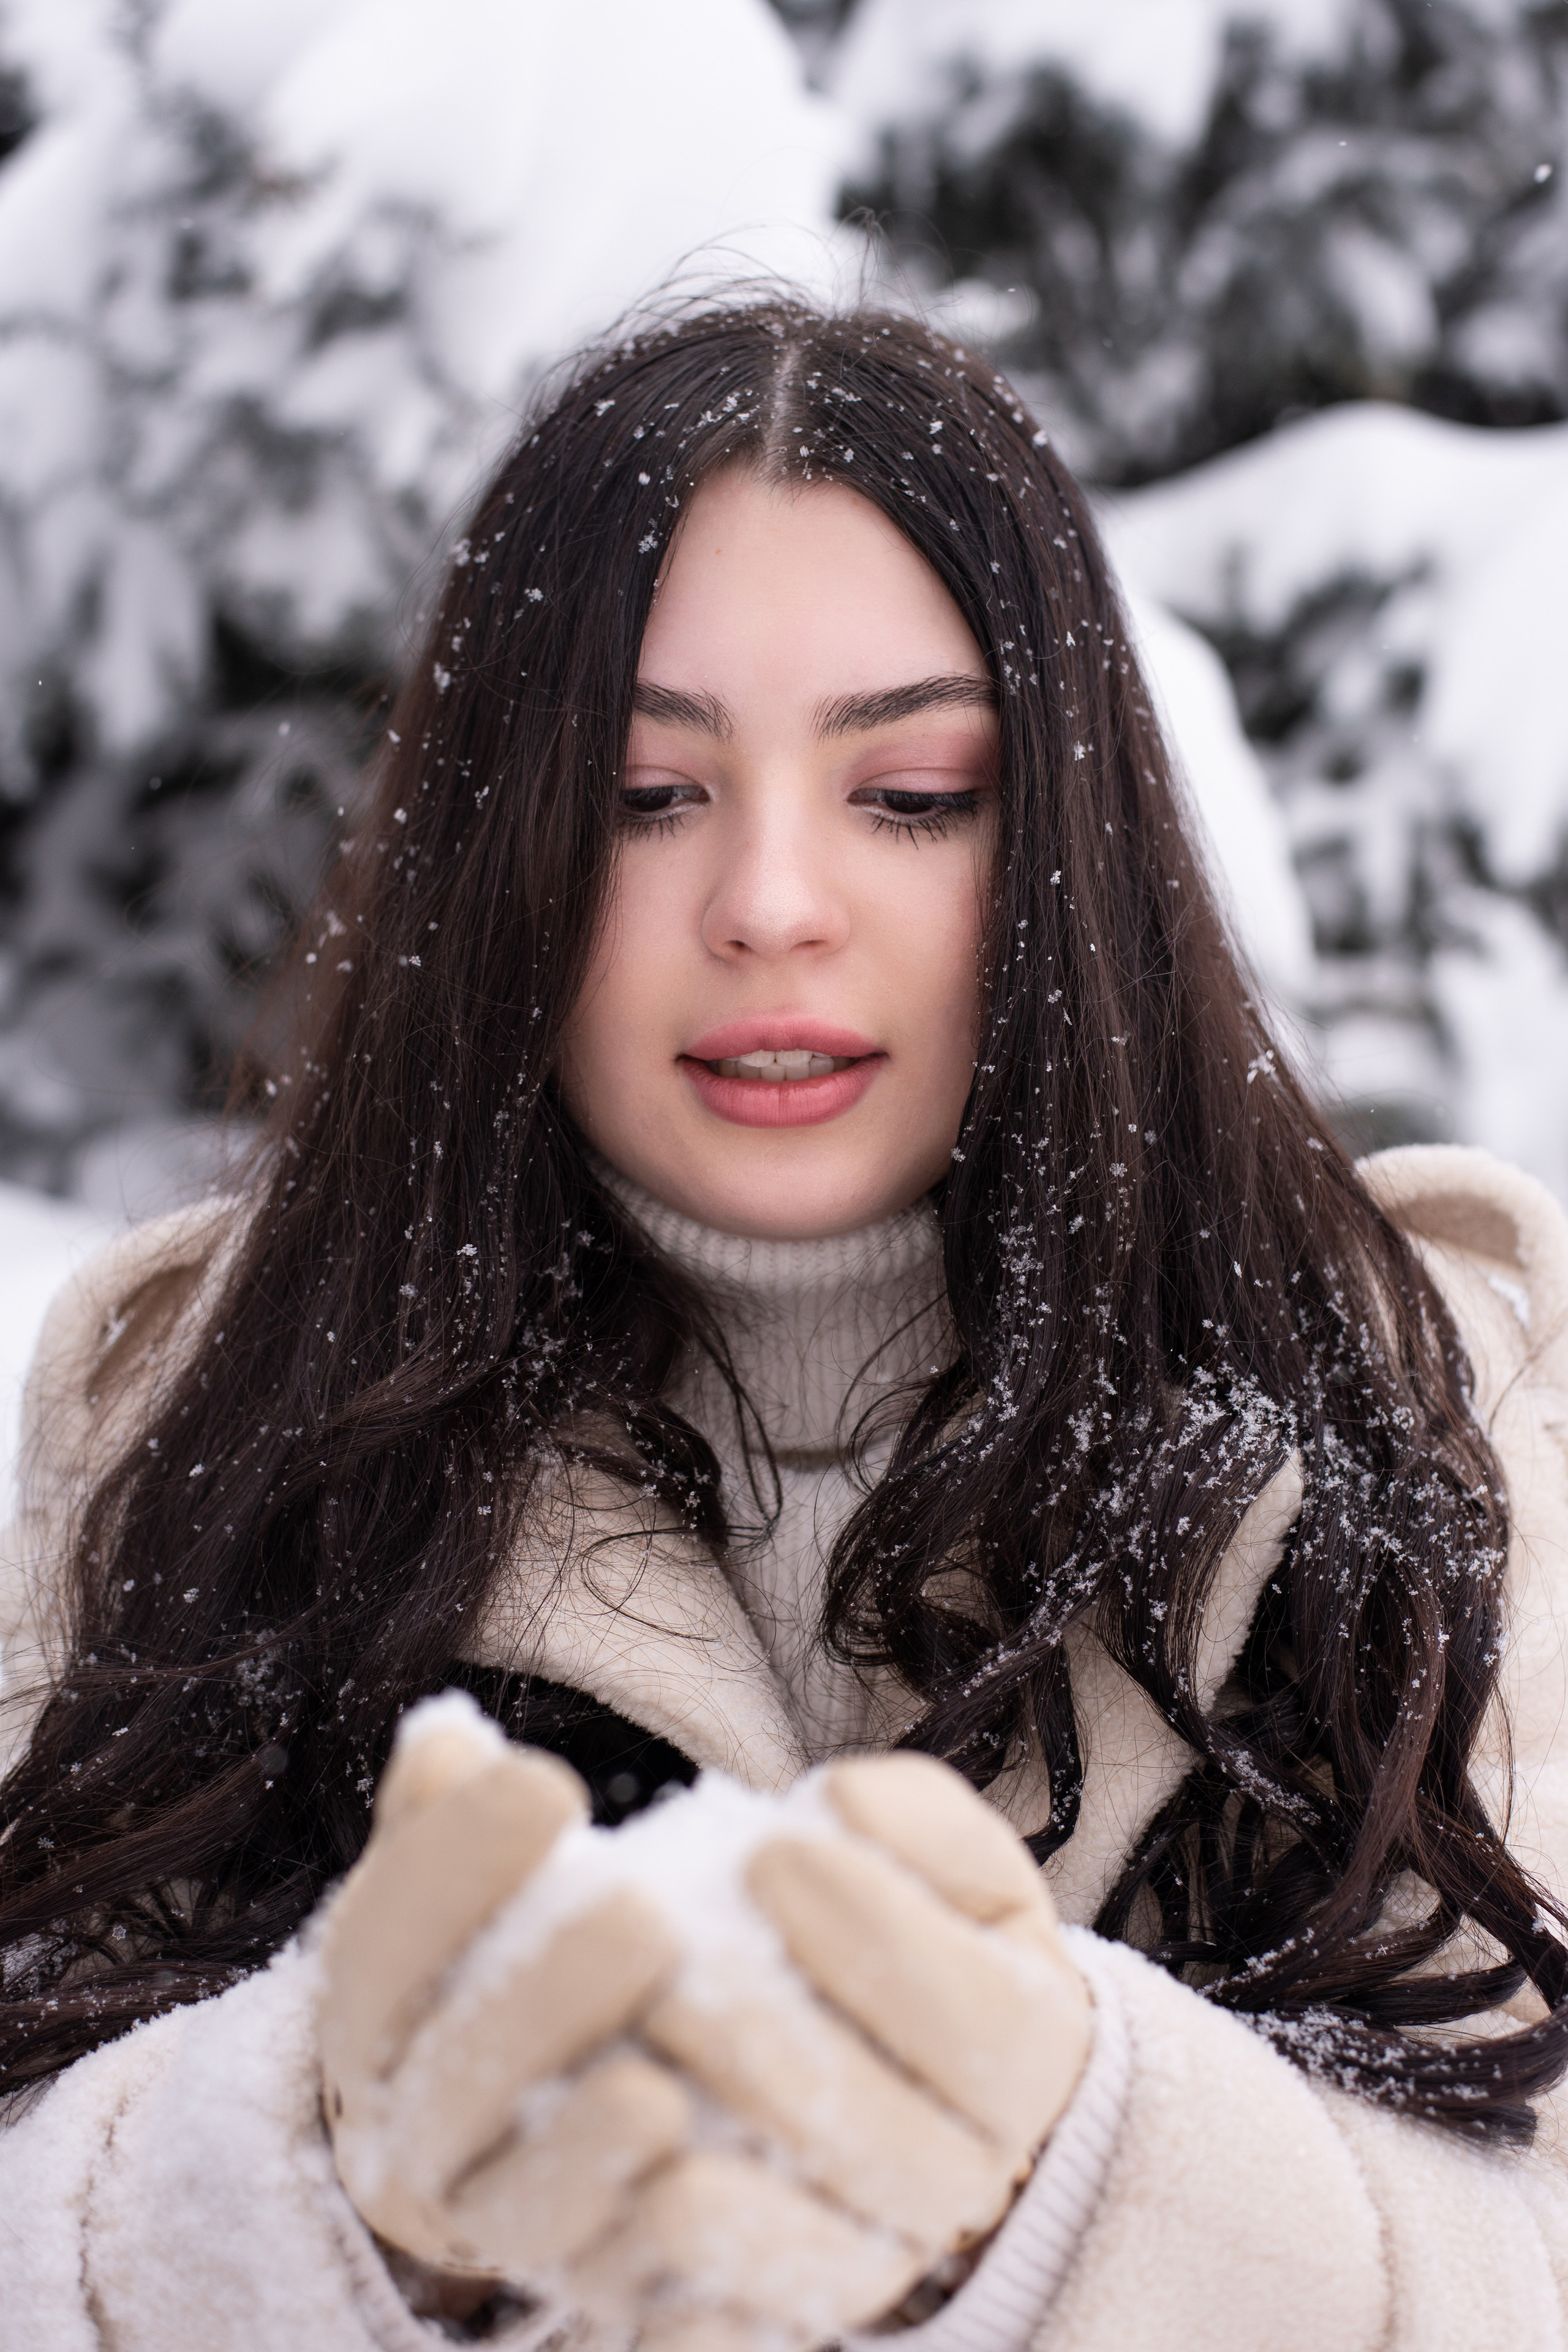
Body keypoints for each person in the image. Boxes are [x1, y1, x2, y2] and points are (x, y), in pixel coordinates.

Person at [1, 296, 1566, 2351]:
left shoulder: (1422, 1405)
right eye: (647, 793)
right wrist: (310, 2188)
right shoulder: (200, 1413)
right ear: (502, 848)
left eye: (909, 792)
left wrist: (1088, 2164)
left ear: (1068, 841)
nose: (770, 900)